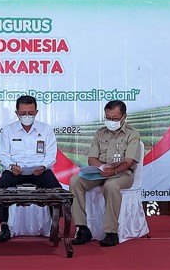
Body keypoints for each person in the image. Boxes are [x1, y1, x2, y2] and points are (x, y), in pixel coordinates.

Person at [69, 100, 141, 247]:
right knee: (75, 181)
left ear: (124, 117)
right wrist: (101, 167)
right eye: (108, 117)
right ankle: (82, 229)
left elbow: (129, 161)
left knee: (111, 185)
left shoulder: (132, 134)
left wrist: (114, 170)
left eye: (115, 118)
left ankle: (111, 233)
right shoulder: (100, 133)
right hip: (100, 173)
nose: (111, 121)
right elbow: (91, 159)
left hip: (122, 173)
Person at [0, 95, 61, 243]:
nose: (27, 116)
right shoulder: (8, 130)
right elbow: (3, 154)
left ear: (36, 112)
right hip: (15, 171)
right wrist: (11, 166)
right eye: (23, 113)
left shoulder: (46, 129)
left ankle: (54, 227)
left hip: (40, 171)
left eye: (30, 113)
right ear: (16, 113)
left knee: (57, 190)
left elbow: (51, 154)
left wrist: (43, 166)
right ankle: (4, 226)